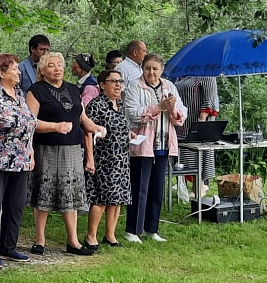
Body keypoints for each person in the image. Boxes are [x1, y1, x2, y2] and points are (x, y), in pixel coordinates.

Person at [25, 52, 106, 256]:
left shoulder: (73, 89)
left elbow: (82, 118)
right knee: (44, 193)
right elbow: (30, 122)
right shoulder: (36, 91)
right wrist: (55, 126)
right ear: (42, 70)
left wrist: (96, 127)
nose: (57, 68)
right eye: (51, 65)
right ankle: (40, 239)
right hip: (47, 148)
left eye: (59, 64)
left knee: (71, 196)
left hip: (72, 149)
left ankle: (73, 241)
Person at [123, 54, 187, 243]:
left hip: (163, 144)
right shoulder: (134, 86)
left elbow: (182, 113)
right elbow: (132, 113)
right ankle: (133, 230)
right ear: (142, 69)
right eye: (147, 68)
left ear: (162, 69)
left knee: (157, 189)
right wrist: (159, 107)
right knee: (139, 188)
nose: (151, 72)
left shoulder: (169, 86)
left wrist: (172, 110)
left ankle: (152, 228)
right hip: (142, 145)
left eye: (155, 69)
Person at [0, 54, 38, 262]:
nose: (19, 72)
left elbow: (29, 124)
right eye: (14, 69)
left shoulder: (19, 93)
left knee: (16, 205)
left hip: (21, 160)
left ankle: (9, 246)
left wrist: (30, 151)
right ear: (2, 72)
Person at [83, 70, 132, 248]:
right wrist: (90, 159)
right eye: (114, 81)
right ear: (103, 85)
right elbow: (88, 132)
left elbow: (120, 127)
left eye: (120, 81)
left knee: (117, 197)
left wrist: (129, 134)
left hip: (121, 159)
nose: (118, 85)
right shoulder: (96, 105)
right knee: (101, 199)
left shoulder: (120, 104)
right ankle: (91, 236)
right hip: (104, 159)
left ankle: (110, 235)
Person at [175, 76, 220, 195]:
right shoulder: (183, 75)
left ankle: (199, 186)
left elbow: (210, 99)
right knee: (186, 156)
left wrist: (201, 121)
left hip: (198, 123)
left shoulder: (207, 74)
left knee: (197, 155)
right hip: (182, 122)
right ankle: (192, 187)